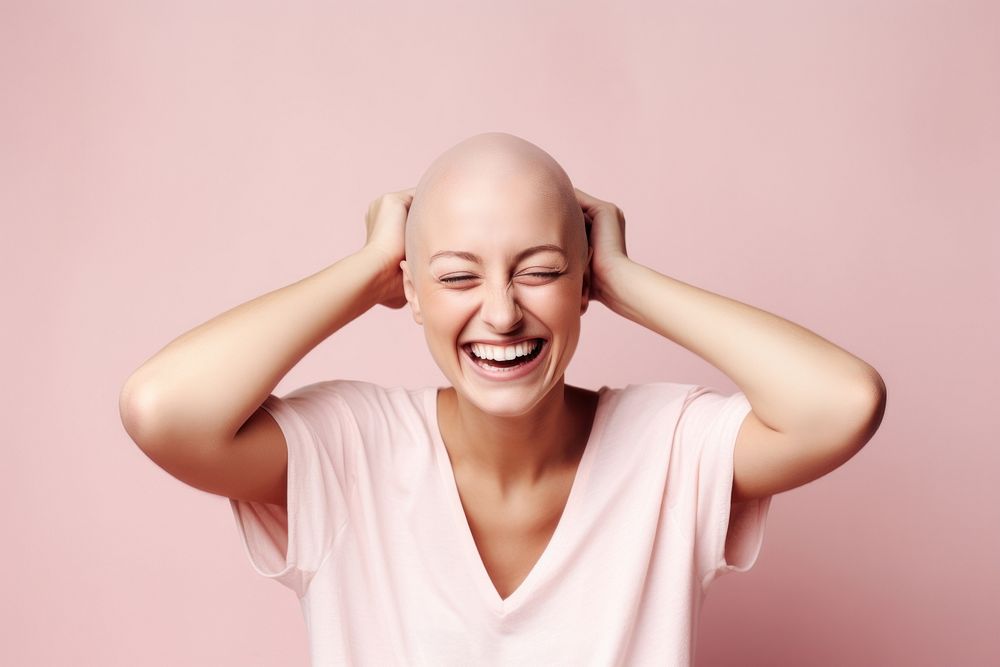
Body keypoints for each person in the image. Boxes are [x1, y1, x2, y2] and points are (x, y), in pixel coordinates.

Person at [119, 132, 886, 665]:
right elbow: (161, 408)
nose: (500, 312)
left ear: (584, 283)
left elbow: (843, 402)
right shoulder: (349, 448)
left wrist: (622, 277)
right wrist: (365, 269)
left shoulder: (667, 450)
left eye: (540, 271)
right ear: (410, 290)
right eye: (457, 277)